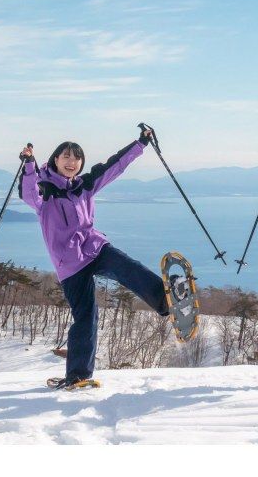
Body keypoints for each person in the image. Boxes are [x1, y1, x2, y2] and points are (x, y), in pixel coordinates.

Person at [18, 129, 169, 389]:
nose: (71, 162)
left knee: (128, 267)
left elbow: (115, 165)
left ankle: (167, 301)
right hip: (70, 264)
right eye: (66, 156)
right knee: (87, 317)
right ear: (55, 159)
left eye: (76, 158)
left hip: (94, 248)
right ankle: (78, 376)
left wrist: (141, 142)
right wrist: (29, 164)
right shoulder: (45, 189)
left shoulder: (84, 185)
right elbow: (28, 193)